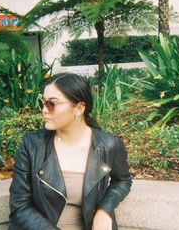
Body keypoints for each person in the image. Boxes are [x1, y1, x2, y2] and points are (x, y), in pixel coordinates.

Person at [9, 73, 132, 230]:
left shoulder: (108, 144)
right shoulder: (32, 145)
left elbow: (123, 180)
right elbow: (19, 205)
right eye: (43, 103)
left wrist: (104, 209)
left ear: (79, 108)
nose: (44, 110)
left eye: (52, 103)